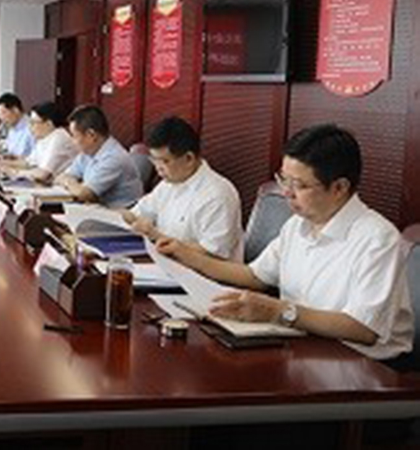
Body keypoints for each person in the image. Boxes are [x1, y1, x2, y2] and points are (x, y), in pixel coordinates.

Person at [157, 124, 413, 363]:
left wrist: (280, 311)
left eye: (299, 185)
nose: (286, 193)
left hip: (362, 366)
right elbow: (255, 276)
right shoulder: (297, 225)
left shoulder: (377, 238)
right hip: (303, 349)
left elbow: (363, 329)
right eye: (284, 180)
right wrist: (185, 255)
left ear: (339, 187)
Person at [125, 116, 243, 261]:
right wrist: (110, 216)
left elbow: (213, 254)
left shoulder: (218, 194)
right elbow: (136, 214)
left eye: (164, 161)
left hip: (199, 272)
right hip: (166, 263)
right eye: (154, 160)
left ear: (188, 158)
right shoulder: (169, 183)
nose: (158, 168)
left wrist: (156, 236)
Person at [54, 105, 143, 208]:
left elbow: (84, 194)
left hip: (120, 213)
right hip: (98, 209)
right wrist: (72, 184)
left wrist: (70, 183)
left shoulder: (114, 157)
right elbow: (60, 177)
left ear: (91, 135)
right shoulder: (87, 153)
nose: (72, 142)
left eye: (74, 136)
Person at [0, 101, 78, 183]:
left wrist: (15, 173)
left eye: (33, 123)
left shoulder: (59, 137)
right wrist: (0, 163)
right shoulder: (44, 138)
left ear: (48, 124)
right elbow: (28, 163)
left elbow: (43, 174)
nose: (30, 127)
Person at [0, 93, 35, 158]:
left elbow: (35, 159)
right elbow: (10, 150)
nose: (1, 118)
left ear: (16, 110)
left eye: (3, 112)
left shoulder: (32, 128)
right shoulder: (12, 127)